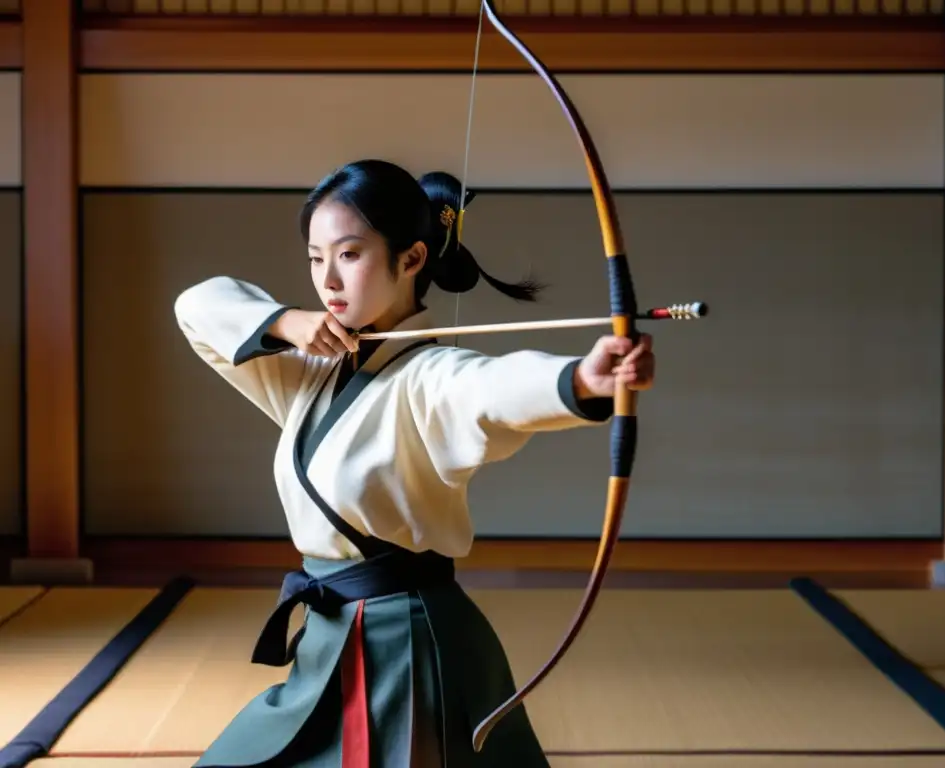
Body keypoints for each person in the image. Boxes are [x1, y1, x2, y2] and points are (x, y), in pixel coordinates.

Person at [173, 158, 656, 768]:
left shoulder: (432, 378)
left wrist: (581, 381)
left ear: (412, 259)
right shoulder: (307, 373)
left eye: (348, 254)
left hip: (405, 643)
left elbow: (494, 390)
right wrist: (283, 322)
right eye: (315, 258)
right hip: (333, 636)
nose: (327, 280)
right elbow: (198, 307)